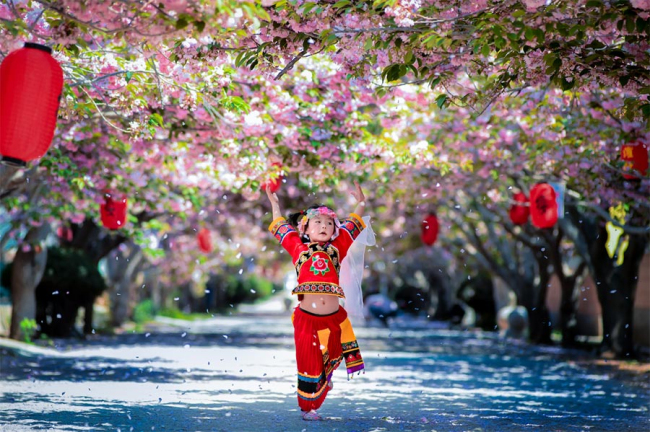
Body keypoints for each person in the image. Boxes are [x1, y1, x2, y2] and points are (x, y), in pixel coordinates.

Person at [265, 181, 368, 421]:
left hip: (334, 319)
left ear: (334, 229)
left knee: (329, 360)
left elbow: (353, 224)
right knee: (308, 363)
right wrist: (275, 205)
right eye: (318, 223)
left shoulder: (338, 248)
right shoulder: (298, 248)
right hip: (306, 319)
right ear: (305, 228)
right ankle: (308, 408)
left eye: (329, 223)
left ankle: (324, 381)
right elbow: (280, 227)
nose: (323, 226)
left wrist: (361, 203)